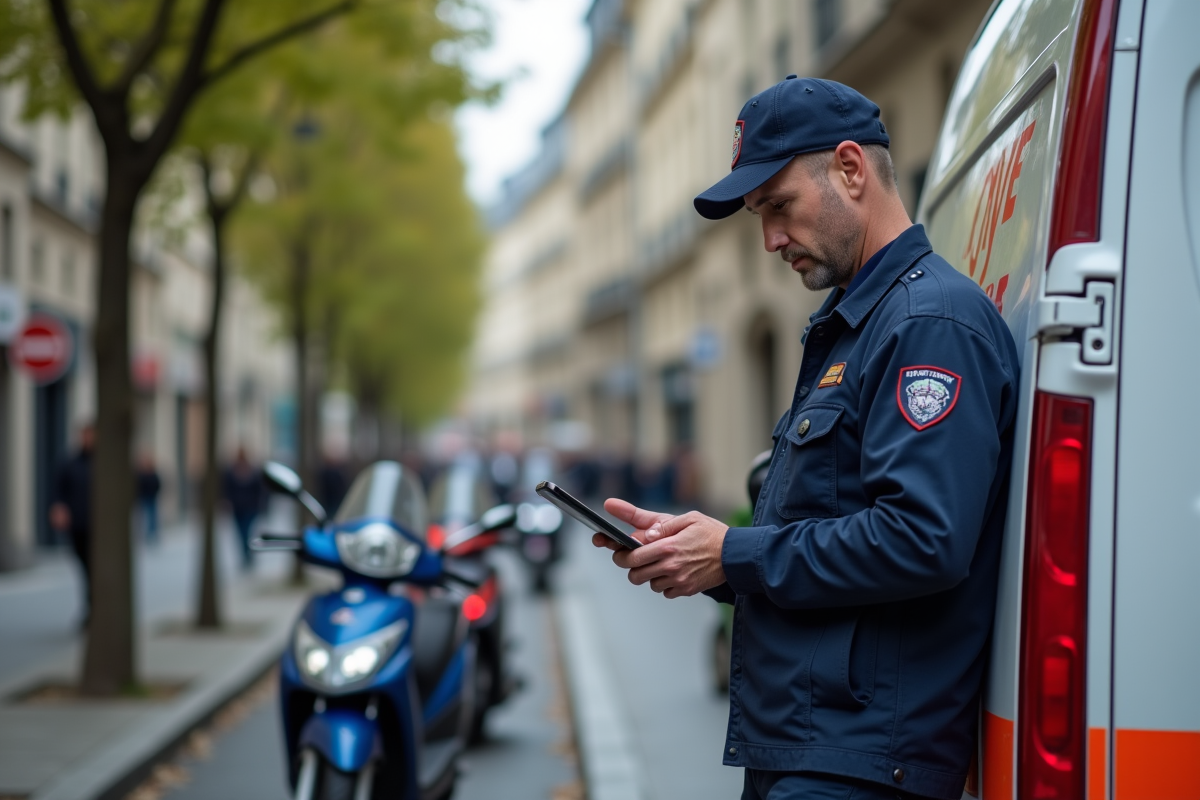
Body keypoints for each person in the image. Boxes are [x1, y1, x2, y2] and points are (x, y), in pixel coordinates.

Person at [593, 77, 1020, 800]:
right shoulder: (858, 323)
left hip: (856, 761)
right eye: (760, 217)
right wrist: (709, 560)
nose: (769, 240)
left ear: (851, 169)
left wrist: (735, 551)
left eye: (779, 207)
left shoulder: (926, 323)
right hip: (812, 750)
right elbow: (828, 530)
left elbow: (922, 537)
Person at [50, 423, 94, 628]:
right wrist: (58, 508)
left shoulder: (106, 464)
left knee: (95, 570)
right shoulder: (69, 462)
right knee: (85, 569)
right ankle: (89, 609)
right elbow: (59, 490)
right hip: (78, 525)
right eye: (84, 434)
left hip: (99, 528)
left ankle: (94, 610)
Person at [222, 447, 265, 570]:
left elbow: (259, 490)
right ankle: (245, 556)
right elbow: (227, 489)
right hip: (237, 508)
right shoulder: (231, 471)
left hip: (250, 508)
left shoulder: (253, 470)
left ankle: (249, 555)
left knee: (247, 532)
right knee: (240, 534)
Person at [135, 453, 162, 545]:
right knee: (144, 518)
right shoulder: (141, 475)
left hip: (152, 498)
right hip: (144, 499)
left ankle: (152, 535)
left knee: (153, 518)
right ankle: (144, 536)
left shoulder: (153, 474)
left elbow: (158, 484)